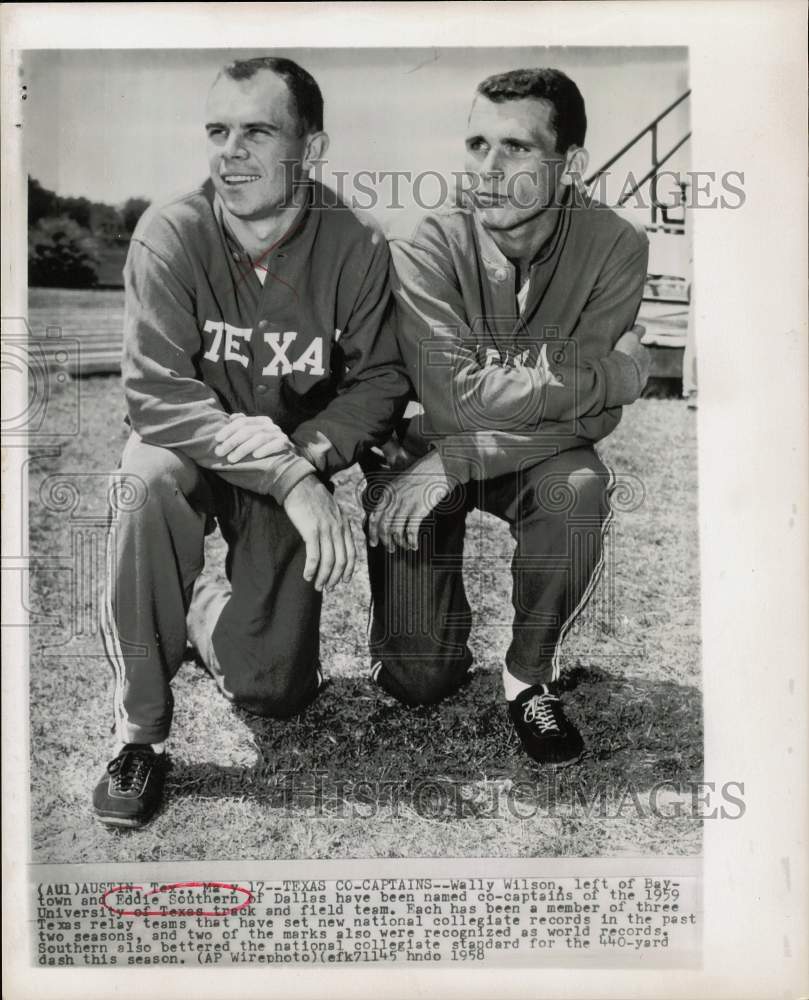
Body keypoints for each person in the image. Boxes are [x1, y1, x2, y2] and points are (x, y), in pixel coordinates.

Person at [94, 56, 410, 827]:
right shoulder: (170, 232)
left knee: (274, 693)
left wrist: (311, 457)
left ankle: (202, 607)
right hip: (195, 455)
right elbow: (158, 396)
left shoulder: (356, 242)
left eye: (258, 131)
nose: (229, 151)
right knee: (145, 480)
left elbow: (380, 379)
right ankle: (140, 735)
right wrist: (292, 480)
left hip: (292, 455)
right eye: (218, 131)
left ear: (312, 146)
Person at [365, 68, 651, 765]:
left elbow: (590, 419)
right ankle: (414, 646)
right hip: (419, 450)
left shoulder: (616, 244)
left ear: (569, 165)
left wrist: (464, 457)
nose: (486, 170)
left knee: (578, 487)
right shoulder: (426, 240)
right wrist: (617, 372)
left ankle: (529, 677)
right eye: (476, 144)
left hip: (490, 460)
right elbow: (456, 400)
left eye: (516, 148)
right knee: (418, 681)